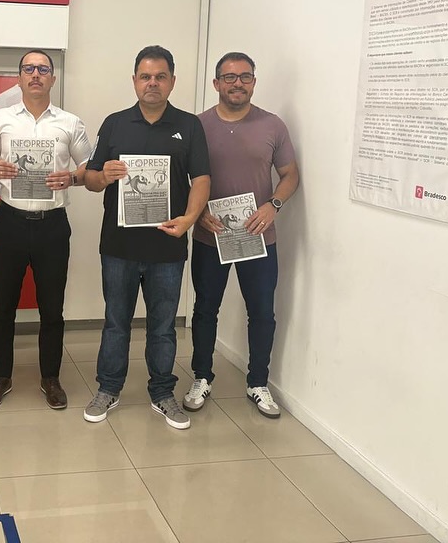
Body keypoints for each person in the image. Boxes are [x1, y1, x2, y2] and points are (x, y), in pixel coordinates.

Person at [83, 45, 210, 430]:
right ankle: (108, 388)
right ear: (135, 81)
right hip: (118, 246)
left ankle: (162, 393)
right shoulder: (115, 123)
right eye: (145, 76)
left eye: (160, 76)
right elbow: (90, 179)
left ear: (172, 81)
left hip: (167, 245)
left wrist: (190, 220)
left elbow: (201, 179)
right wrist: (103, 176)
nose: (152, 83)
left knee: (163, 326)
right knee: (115, 322)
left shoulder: (189, 125)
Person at [0, 50, 92, 410]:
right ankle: (1, 377)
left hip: (52, 226)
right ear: (20, 78)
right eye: (29, 69)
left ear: (53, 78)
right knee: (3, 308)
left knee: (52, 309)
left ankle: (50, 378)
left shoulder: (69, 122)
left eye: (43, 69)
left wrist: (71, 178)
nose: (36, 74)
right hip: (10, 222)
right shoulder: (2, 119)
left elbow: (89, 167)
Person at [184, 52, 299, 418]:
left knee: (262, 312)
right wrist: (198, 212)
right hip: (210, 236)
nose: (237, 83)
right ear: (216, 83)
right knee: (205, 310)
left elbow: (291, 175)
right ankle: (202, 377)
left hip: (258, 236)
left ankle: (258, 383)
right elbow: (184, 177)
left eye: (245, 76)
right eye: (229, 77)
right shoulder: (197, 126)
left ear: (253, 82)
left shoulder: (273, 125)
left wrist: (273, 206)